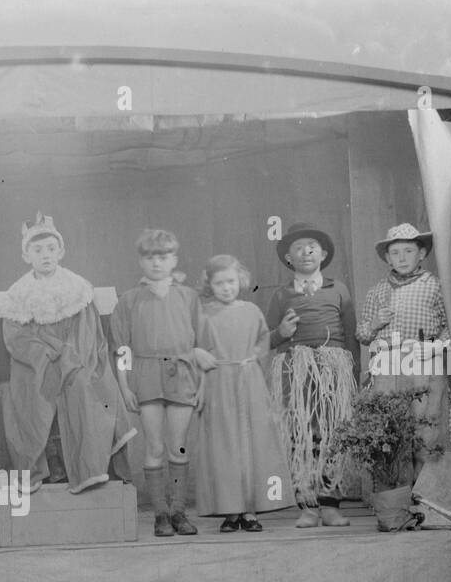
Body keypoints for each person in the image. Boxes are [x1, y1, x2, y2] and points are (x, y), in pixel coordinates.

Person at [1, 212, 136, 495]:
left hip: (77, 359)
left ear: (61, 251)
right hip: (36, 364)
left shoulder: (77, 289)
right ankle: (45, 469)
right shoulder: (19, 294)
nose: (45, 255)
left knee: (84, 387)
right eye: (37, 250)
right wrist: (49, 356)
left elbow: (88, 335)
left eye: (51, 248)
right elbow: (18, 340)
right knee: (31, 393)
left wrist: (68, 358)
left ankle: (88, 467)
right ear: (26, 256)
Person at [112, 228, 213, 537]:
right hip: (145, 374)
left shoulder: (188, 296)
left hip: (182, 373)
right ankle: (160, 515)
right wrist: (125, 386)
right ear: (141, 261)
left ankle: (179, 511)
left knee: (178, 446)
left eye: (163, 257)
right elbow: (122, 349)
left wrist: (204, 385)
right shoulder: (129, 300)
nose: (156, 263)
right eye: (150, 257)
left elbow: (203, 344)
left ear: (174, 259)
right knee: (154, 446)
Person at [264, 222, 358, 527]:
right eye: (298, 248)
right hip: (296, 368)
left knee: (332, 434)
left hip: (334, 368)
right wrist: (282, 332)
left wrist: (353, 373)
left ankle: (330, 504)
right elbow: (266, 339)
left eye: (312, 247)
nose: (306, 252)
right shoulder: (281, 295)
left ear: (324, 253)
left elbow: (352, 334)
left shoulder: (338, 289)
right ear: (289, 258)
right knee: (301, 435)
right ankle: (307, 505)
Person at [194, 255, 295, 531]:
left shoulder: (251, 311)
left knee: (252, 445)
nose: (226, 287)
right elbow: (193, 346)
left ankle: (251, 510)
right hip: (219, 382)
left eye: (231, 281)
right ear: (209, 285)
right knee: (225, 447)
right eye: (219, 283)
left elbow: (263, 341)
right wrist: (198, 359)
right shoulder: (203, 314)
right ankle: (231, 510)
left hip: (249, 381)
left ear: (240, 280)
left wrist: (276, 338)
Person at [356, 223, 451, 475]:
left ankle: (424, 498)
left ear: (422, 254)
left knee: (426, 428)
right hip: (387, 367)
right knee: (391, 430)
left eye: (408, 251)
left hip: (424, 363)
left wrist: (434, 348)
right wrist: (375, 323)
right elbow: (362, 335)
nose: (402, 258)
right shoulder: (377, 291)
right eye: (396, 253)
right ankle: (396, 500)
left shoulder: (434, 285)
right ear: (387, 258)